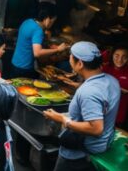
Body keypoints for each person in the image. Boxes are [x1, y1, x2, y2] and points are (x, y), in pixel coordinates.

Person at [43, 42, 120, 171]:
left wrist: (63, 119)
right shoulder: (112, 81)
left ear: (80, 64)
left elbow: (96, 128)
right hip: (104, 144)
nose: (69, 59)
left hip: (79, 154)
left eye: (71, 57)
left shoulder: (88, 92)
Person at [10, 3, 69, 78]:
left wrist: (48, 46)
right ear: (47, 19)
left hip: (15, 63)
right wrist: (58, 49)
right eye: (53, 21)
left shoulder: (28, 21)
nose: (52, 24)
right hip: (24, 68)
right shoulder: (38, 30)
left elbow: (28, 42)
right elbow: (37, 53)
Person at [102, 46, 128, 127]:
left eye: (124, 57)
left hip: (120, 113)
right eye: (117, 55)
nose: (120, 60)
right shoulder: (105, 69)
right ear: (112, 55)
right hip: (101, 111)